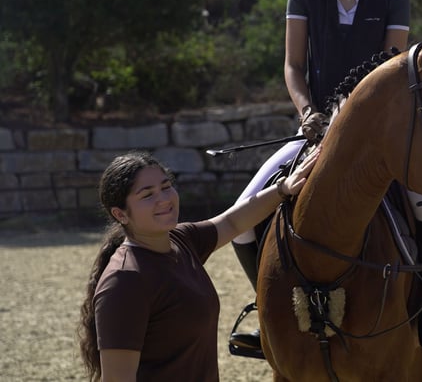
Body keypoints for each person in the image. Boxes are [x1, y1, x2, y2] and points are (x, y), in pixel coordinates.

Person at [229, 0, 422, 350]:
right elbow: (293, 66)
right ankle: (266, 309)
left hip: (374, 134)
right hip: (314, 130)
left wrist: (350, 118)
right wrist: (308, 113)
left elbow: (389, 70)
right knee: (244, 216)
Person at [77, 148, 318, 382]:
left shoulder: (181, 240)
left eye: (166, 186)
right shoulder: (125, 281)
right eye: (147, 195)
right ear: (120, 214)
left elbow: (232, 223)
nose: (164, 199)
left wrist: (282, 189)